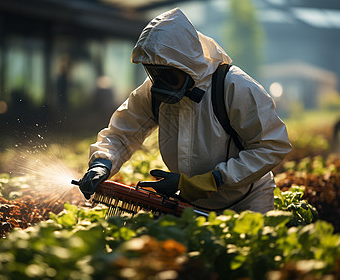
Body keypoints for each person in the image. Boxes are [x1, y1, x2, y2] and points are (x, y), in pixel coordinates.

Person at [78, 8, 292, 214]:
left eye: (168, 74)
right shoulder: (151, 93)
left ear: (187, 65)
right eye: (154, 73)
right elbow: (123, 133)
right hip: (187, 205)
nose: (160, 83)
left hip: (246, 203)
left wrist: (215, 179)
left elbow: (271, 145)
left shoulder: (234, 87)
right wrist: (102, 162)